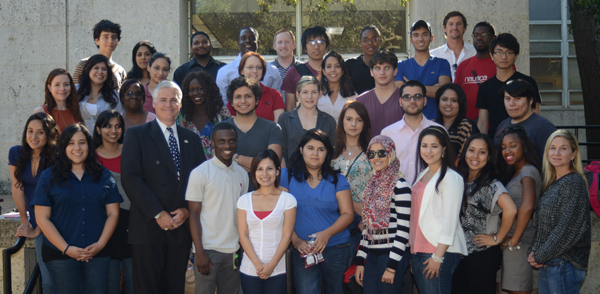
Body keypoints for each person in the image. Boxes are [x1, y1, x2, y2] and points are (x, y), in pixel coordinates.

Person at [121, 80, 205, 294]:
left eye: (174, 100)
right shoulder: (137, 135)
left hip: (180, 227)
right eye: (163, 100)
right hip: (148, 227)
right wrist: (158, 214)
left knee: (175, 288)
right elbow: (131, 178)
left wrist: (187, 209)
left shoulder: (192, 140)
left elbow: (199, 182)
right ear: (154, 104)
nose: (169, 104)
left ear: (181, 103)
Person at [32, 123, 122, 294]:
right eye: (71, 143)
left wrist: (100, 244)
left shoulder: (104, 175)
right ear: (63, 146)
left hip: (97, 252)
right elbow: (42, 218)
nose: (77, 148)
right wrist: (66, 248)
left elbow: (113, 213)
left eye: (82, 142)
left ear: (89, 145)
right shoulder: (48, 176)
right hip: (60, 254)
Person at [280, 129, 354, 294]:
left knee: (335, 290)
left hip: (336, 246)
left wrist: (326, 234)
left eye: (321, 149)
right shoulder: (287, 176)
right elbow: (280, 213)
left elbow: (348, 214)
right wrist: (296, 240)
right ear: (301, 150)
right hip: (303, 249)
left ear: (327, 152)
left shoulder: (337, 179)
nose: (315, 153)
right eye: (310, 148)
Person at [186, 123, 249, 294]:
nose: (227, 146)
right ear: (212, 143)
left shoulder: (243, 174)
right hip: (207, 251)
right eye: (221, 141)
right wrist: (199, 252)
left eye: (231, 141)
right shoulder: (200, 173)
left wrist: (241, 248)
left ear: (237, 142)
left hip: (234, 251)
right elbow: (193, 214)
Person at [452, 134, 517, 294]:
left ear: (488, 157)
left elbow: (511, 209)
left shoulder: (490, 183)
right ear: (465, 153)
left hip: (481, 255)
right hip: (459, 254)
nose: (475, 156)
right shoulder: (459, 179)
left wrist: (497, 238)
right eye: (471, 150)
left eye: (481, 152)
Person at [528, 130, 591, 294]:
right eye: (552, 148)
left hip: (565, 264)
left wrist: (538, 255)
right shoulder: (552, 184)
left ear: (573, 154)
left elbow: (565, 229)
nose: (556, 153)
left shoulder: (574, 183)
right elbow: (544, 226)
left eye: (563, 148)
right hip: (549, 262)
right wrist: (534, 252)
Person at [410, 126, 467, 294]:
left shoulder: (451, 177)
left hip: (437, 251)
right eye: (424, 145)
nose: (428, 150)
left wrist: (437, 256)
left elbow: (450, 220)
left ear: (444, 149)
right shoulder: (423, 174)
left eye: (434, 146)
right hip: (419, 250)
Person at [9, 113, 59, 294]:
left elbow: (56, 195)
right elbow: (18, 188)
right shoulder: (16, 153)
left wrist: (39, 228)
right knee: (48, 283)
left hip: (58, 220)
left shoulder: (57, 157)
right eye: (30, 131)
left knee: (64, 279)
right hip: (37, 220)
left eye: (40, 132)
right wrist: (25, 221)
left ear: (49, 135)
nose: (33, 137)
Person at [354, 135, 411, 293]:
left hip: (392, 254)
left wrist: (392, 266)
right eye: (371, 154)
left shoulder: (400, 185)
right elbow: (367, 227)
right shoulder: (372, 185)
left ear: (390, 154)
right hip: (372, 254)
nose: (376, 158)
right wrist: (360, 260)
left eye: (381, 153)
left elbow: (403, 228)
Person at [237, 150, 297, 294]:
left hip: (278, 270)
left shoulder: (288, 200)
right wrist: (258, 265)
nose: (265, 174)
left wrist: (271, 265)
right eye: (260, 169)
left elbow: (287, 235)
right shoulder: (244, 200)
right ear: (254, 172)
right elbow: (243, 235)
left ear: (277, 172)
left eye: (269, 169)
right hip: (249, 269)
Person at [496, 126, 542, 294]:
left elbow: (528, 206)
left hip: (519, 244)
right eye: (503, 146)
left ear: (524, 146)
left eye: (513, 145)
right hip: (510, 243)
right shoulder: (516, 173)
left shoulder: (528, 171)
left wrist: (514, 240)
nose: (507, 150)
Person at [92, 110, 133, 294]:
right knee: (111, 282)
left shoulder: (131, 151)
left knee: (134, 280)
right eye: (108, 126)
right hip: (103, 224)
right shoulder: (90, 157)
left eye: (118, 126)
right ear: (98, 129)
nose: (113, 130)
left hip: (132, 222)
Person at [331, 101, 373, 265]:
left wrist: (369, 218)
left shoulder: (373, 152)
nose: (353, 124)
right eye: (349, 119)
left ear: (365, 123)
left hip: (363, 221)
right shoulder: (330, 152)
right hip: (335, 218)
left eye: (359, 119)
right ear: (342, 122)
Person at [224, 76, 283, 191]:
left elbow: (271, 165)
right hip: (229, 194)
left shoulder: (272, 128)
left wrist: (236, 158)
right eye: (237, 97)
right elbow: (218, 162)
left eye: (248, 96)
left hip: (263, 196)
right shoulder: (223, 129)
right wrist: (257, 165)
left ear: (257, 100)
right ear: (231, 102)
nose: (243, 101)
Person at [476, 33, 541, 135]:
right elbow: (482, 123)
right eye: (499, 52)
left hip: (523, 140)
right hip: (495, 141)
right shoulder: (485, 87)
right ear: (491, 56)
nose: (504, 57)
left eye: (509, 52)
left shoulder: (528, 82)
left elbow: (536, 116)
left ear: (516, 56)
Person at [381, 80, 444, 185]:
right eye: (407, 97)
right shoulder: (387, 134)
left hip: (430, 194)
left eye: (418, 96)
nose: (412, 101)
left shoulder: (439, 131)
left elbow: (445, 167)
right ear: (400, 102)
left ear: (425, 101)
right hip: (396, 196)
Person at [454, 22, 513, 120]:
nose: (479, 38)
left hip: (496, 126)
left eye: (484, 35)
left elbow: (511, 96)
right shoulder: (463, 65)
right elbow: (456, 96)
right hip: (467, 126)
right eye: (476, 35)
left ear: (494, 38)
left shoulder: (502, 64)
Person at [395, 20, 452, 120]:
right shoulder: (401, 66)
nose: (420, 39)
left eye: (425, 34)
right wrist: (433, 88)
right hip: (409, 125)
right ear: (410, 39)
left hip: (436, 122)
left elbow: (444, 93)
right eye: (416, 35)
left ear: (431, 38)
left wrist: (411, 85)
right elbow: (400, 93)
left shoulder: (442, 64)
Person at [278, 76, 336, 165]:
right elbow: (281, 153)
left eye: (314, 92)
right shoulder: (285, 119)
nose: (310, 96)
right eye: (305, 92)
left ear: (320, 94)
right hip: (292, 175)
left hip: (321, 175)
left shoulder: (329, 121)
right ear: (298, 94)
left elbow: (332, 153)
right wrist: (285, 176)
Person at [493, 79, 556, 161]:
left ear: (530, 100)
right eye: (508, 99)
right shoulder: (502, 125)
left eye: (517, 98)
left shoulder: (544, 127)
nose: (511, 104)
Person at [217, 27, 282, 103]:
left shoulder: (272, 71)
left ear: (258, 43)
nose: (247, 41)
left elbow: (278, 101)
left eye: (252, 38)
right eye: (243, 38)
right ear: (238, 44)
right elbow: (223, 103)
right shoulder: (224, 72)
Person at [177, 71, 231, 159]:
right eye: (191, 90)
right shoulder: (182, 116)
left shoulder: (222, 114)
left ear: (208, 90)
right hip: (189, 168)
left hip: (218, 167)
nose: (195, 93)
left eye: (200, 89)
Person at [355, 49, 404, 136]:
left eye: (387, 68)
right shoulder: (360, 102)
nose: (382, 72)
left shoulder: (406, 100)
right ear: (371, 72)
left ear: (395, 71)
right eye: (377, 68)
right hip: (368, 149)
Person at [282, 26, 331, 111]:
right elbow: (290, 107)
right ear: (305, 47)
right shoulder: (293, 72)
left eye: (321, 42)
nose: (316, 47)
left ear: (327, 47)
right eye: (311, 42)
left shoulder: (334, 72)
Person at [226, 52, 285, 122]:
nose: (255, 71)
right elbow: (231, 126)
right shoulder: (235, 95)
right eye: (250, 67)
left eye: (259, 67)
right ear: (242, 70)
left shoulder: (274, 95)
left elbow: (278, 127)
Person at [73, 20, 126, 89]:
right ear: (97, 41)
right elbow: (74, 93)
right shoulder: (84, 64)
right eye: (105, 37)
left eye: (114, 37)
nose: (110, 41)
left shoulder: (120, 70)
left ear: (118, 42)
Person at [76, 54, 124, 131]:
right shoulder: (76, 90)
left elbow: (119, 121)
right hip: (81, 140)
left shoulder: (114, 95)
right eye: (96, 68)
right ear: (88, 70)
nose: (100, 72)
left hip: (104, 141)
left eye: (104, 69)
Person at [433, 83, 479, 158]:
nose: (448, 104)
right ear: (438, 102)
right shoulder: (431, 125)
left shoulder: (467, 126)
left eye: (454, 100)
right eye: (444, 99)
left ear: (460, 104)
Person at [430, 11, 476, 80]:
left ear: (465, 28)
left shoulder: (475, 52)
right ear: (444, 28)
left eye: (459, 24)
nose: (455, 27)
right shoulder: (434, 55)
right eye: (451, 24)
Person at [318, 51, 357, 124]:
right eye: (329, 66)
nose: (333, 70)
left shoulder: (352, 95)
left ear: (342, 71)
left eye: (337, 66)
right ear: (324, 71)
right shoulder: (316, 93)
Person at [346, 25, 382, 95]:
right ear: (360, 43)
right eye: (365, 40)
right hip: (357, 104)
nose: (370, 43)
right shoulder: (350, 65)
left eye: (374, 39)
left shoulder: (387, 65)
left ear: (380, 41)